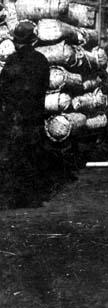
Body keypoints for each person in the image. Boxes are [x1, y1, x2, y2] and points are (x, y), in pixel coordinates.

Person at [0, 20, 51, 208]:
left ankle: (11, 197)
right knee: (32, 155)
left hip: (13, 117)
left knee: (12, 156)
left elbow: (3, 88)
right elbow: (44, 87)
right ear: (33, 40)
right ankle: (32, 197)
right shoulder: (41, 60)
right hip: (34, 116)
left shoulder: (12, 61)